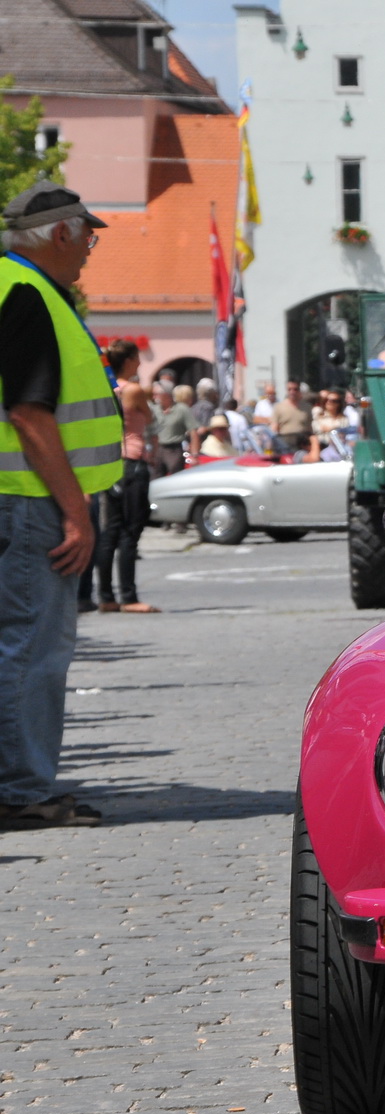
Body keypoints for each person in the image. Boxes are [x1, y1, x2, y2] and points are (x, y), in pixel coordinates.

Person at [0, 180, 121, 829]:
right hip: (26, 501)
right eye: (88, 234)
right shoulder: (28, 292)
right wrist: (76, 512)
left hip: (15, 499)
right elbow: (28, 414)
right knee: (32, 645)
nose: (91, 248)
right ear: (60, 233)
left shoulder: (10, 284)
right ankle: (20, 788)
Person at [90, 339, 158, 614]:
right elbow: (150, 418)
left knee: (111, 531)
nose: (140, 362)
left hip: (110, 461)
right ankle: (129, 596)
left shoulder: (107, 389)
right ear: (129, 360)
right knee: (131, 530)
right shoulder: (133, 390)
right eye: (137, 357)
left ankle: (106, 595)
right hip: (132, 460)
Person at [154, 383, 196, 474]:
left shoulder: (181, 409)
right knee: (155, 478)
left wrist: (194, 454)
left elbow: (193, 430)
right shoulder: (155, 409)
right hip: (157, 449)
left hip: (174, 449)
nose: (154, 397)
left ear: (166, 395)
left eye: (157, 394)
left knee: (176, 476)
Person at [273, 381, 314, 453]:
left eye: (295, 389)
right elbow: (274, 428)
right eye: (289, 389)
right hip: (285, 443)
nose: (292, 392)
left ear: (299, 390)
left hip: (303, 443)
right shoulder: (279, 407)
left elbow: (310, 427)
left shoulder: (307, 407)